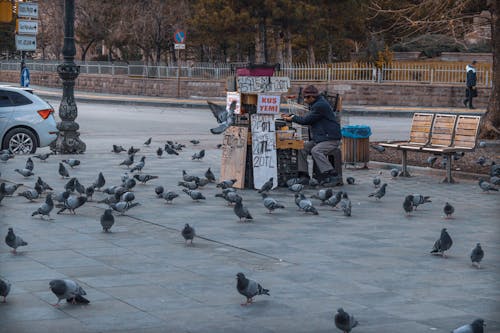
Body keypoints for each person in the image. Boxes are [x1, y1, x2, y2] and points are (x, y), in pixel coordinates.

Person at [281, 85, 343, 185]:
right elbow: (308, 118)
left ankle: (332, 175)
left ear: (312, 97)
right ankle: (304, 175)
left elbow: (306, 120)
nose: (304, 100)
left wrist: (292, 118)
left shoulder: (320, 106)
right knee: (302, 148)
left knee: (316, 151)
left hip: (330, 139)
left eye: (306, 98)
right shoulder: (316, 104)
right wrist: (293, 117)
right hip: (320, 138)